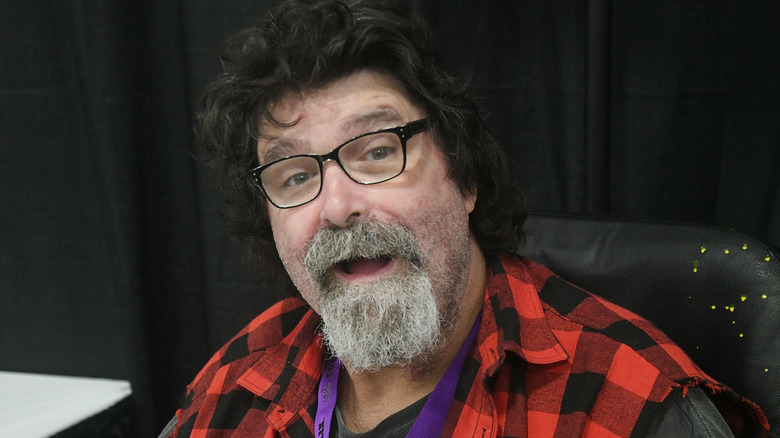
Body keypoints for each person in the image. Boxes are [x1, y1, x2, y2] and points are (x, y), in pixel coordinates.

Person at [161, 0, 770, 436]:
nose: (338, 206)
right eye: (294, 175)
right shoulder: (235, 385)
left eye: (377, 151)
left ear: (467, 177)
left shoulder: (624, 401)